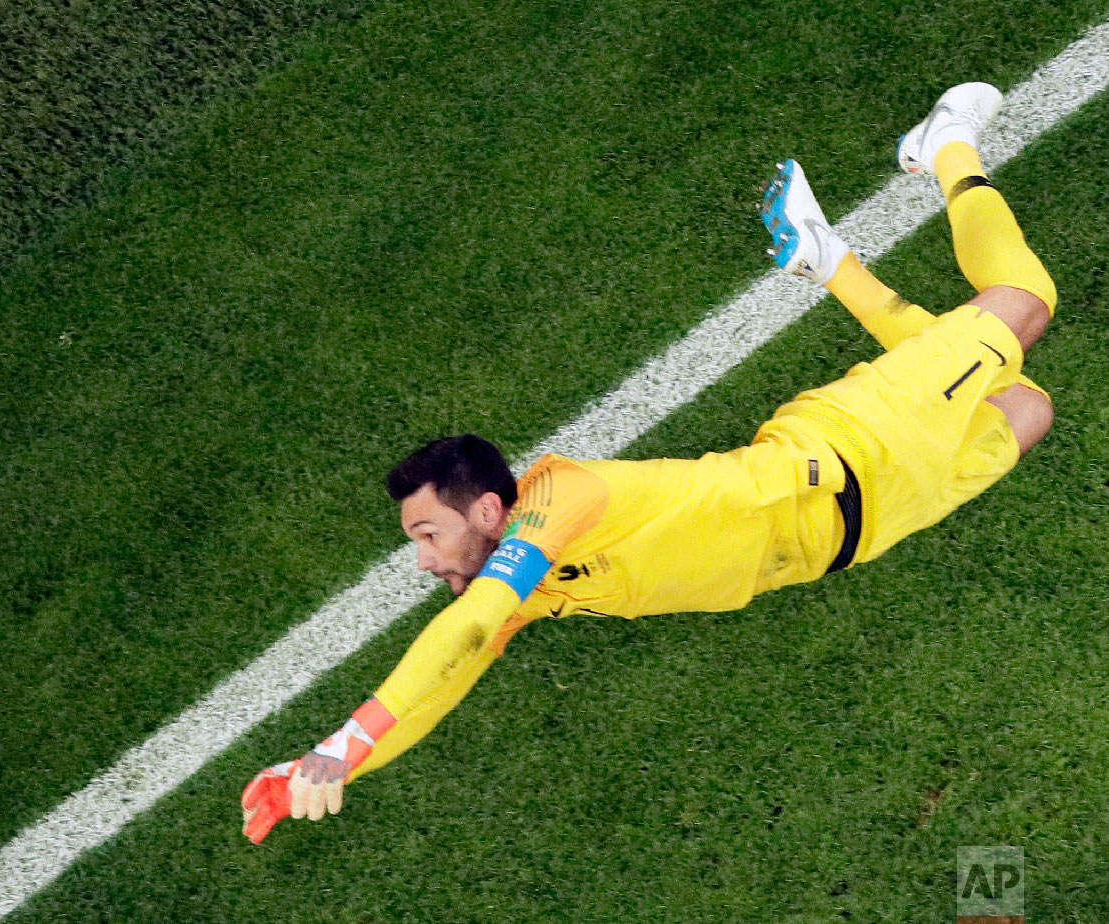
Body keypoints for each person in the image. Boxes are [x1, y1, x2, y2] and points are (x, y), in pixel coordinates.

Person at [242, 82, 1056, 844]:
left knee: (1021, 306)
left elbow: (472, 622)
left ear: (490, 511)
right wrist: (333, 766)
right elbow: (450, 670)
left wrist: (344, 738)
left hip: (847, 447)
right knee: (1025, 408)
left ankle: (946, 144)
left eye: (426, 533)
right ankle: (830, 263)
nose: (422, 559)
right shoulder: (530, 587)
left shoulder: (562, 500)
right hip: (857, 530)